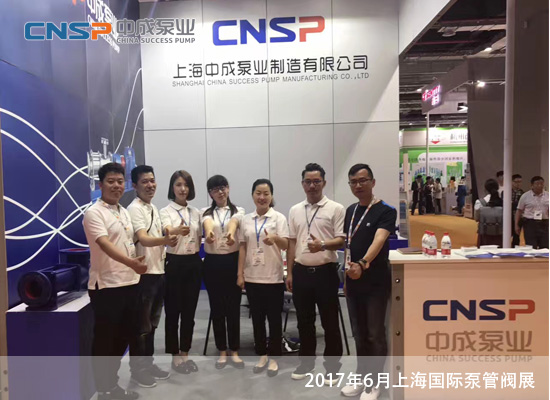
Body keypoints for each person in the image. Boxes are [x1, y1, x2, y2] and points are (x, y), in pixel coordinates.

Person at [83, 162, 147, 400]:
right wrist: (131, 263)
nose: (116, 186)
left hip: (130, 283)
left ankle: (112, 385)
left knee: (123, 338)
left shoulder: (123, 211)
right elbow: (104, 244)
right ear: (100, 185)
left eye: (120, 182)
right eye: (111, 181)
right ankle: (104, 390)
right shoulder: (94, 213)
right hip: (107, 287)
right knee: (105, 342)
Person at [339, 164, 396, 400]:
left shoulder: (386, 211)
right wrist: (348, 273)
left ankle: (375, 382)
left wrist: (362, 264)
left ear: (373, 182)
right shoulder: (351, 211)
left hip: (375, 282)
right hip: (353, 281)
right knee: (359, 334)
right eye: (353, 182)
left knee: (374, 334)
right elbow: (348, 243)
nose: (358, 185)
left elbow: (379, 240)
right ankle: (361, 377)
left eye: (363, 180)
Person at [286, 163, 345, 383]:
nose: (312, 186)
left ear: (324, 183)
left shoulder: (336, 208)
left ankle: (332, 368)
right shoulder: (295, 210)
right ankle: (306, 363)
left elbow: (341, 240)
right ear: (303, 184)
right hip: (301, 272)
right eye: (308, 182)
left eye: (316, 181)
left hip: (325, 273)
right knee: (304, 322)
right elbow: (292, 243)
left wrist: (322, 245)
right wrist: (290, 273)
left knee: (330, 322)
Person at [128, 166, 175, 387]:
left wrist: (170, 236)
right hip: (143, 276)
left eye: (152, 180)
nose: (150, 185)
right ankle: (138, 370)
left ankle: (149, 364)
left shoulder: (153, 208)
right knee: (141, 327)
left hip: (158, 272)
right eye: (145, 181)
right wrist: (165, 241)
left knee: (152, 325)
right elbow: (144, 239)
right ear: (134, 186)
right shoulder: (134, 209)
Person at [237, 179, 289, 377]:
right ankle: (262, 355)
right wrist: (240, 273)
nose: (262, 197)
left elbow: (286, 245)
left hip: (273, 277)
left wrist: (275, 238)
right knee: (257, 320)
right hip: (252, 277)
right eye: (258, 193)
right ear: (252, 195)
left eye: (266, 193)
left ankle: (274, 357)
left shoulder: (279, 218)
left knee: (274, 320)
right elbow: (242, 247)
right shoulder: (246, 220)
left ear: (271, 196)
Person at [159, 170, 203, 374]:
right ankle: (175, 355)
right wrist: (176, 230)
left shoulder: (196, 213)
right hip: (174, 262)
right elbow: (166, 230)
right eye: (178, 185)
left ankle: (185, 352)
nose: (183, 189)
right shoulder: (165, 211)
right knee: (173, 312)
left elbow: (201, 235)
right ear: (172, 188)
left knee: (189, 312)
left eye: (186, 185)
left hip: (193, 262)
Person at [201, 175, 245, 368]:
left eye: (223, 187)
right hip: (213, 264)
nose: (220, 192)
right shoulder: (205, 212)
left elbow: (234, 222)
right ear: (210, 193)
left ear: (228, 188)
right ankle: (221, 350)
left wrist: (230, 233)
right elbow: (208, 223)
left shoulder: (238, 210)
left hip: (232, 261)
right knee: (217, 308)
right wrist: (210, 234)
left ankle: (234, 350)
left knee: (233, 308)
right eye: (215, 189)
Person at [515, 176, 549, 249]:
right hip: (530, 223)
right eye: (537, 184)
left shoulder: (548, 195)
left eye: (541, 184)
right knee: (531, 246)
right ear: (532, 185)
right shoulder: (525, 196)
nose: (539, 186)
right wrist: (516, 225)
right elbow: (519, 211)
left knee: (545, 246)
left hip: (544, 222)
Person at [474, 179, 503, 247]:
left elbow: (476, 218)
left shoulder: (479, 202)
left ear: (485, 189)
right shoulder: (503, 202)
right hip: (499, 233)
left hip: (484, 234)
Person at [511, 174, 524, 247]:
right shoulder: (506, 192)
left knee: (516, 236)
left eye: (520, 182)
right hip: (508, 216)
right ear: (512, 182)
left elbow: (520, 206)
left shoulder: (523, 193)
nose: (518, 184)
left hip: (518, 217)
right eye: (516, 182)